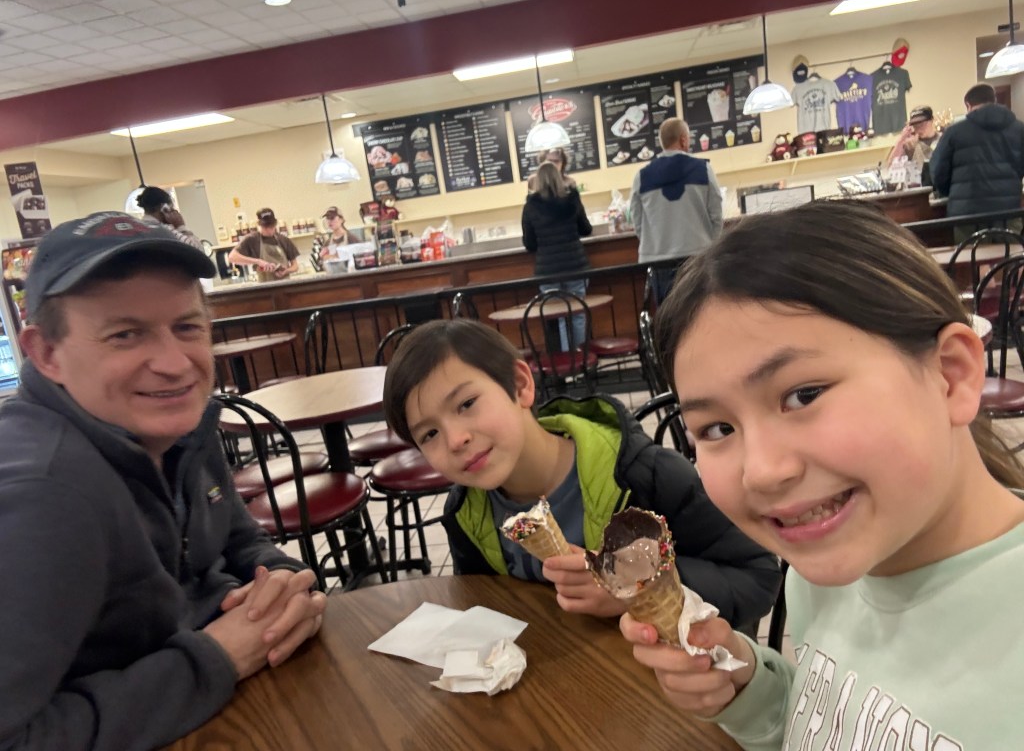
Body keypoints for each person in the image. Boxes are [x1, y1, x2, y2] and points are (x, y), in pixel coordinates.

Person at [621, 200, 1024, 748]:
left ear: (950, 376)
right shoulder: (824, 569)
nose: (761, 473)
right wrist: (747, 685)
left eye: (802, 394)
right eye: (716, 429)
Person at [0, 211, 327, 750]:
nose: (175, 364)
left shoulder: (181, 425)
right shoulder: (41, 499)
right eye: (126, 334)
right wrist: (218, 658)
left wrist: (285, 586)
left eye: (186, 327)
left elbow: (239, 541)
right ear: (46, 353)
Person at [382, 319, 782, 632]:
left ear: (520, 385)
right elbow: (485, 605)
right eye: (429, 434)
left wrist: (637, 589)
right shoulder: (467, 512)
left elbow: (757, 577)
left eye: (467, 403)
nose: (455, 439)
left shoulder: (645, 475)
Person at [630, 118, 723, 304]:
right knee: (698, 313)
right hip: (697, 256)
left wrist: (655, 244)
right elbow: (716, 215)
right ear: (683, 140)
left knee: (667, 316)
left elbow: (637, 221)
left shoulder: (641, 177)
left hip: (659, 260)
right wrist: (710, 245)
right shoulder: (704, 170)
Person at [930, 82, 1024, 241]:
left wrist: (950, 191)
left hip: (967, 214)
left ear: (968, 104)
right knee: (1010, 260)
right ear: (994, 100)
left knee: (970, 261)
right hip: (1008, 211)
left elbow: (938, 172)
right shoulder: (1019, 129)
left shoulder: (954, 133)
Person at [521, 160, 593, 351]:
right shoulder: (572, 199)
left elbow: (529, 243)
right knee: (577, 311)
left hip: (548, 269)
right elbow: (586, 229)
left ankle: (566, 361)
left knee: (559, 315)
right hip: (575, 265)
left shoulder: (530, 207)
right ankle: (581, 359)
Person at [227, 207, 300, 281]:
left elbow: (295, 266)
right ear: (259, 225)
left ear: (275, 224)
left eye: (271, 226)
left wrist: (286, 271)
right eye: (265, 227)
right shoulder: (252, 239)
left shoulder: (284, 240)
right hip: (264, 288)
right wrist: (258, 262)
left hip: (285, 285)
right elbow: (232, 257)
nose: (269, 230)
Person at [136, 185, 205, 251]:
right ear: (164, 208)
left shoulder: (140, 229)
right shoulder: (163, 230)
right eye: (171, 207)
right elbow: (198, 250)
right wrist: (181, 226)